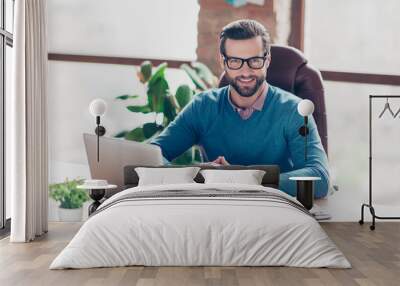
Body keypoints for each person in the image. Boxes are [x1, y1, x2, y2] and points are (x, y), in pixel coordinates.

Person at [150, 19, 330, 198]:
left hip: (274, 207)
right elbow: (153, 155)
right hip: (217, 207)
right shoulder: (203, 106)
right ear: (223, 61)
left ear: (267, 60)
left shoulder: (294, 111)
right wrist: (199, 175)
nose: (245, 72)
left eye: (255, 61)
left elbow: (319, 177)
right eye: (235, 61)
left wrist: (245, 179)